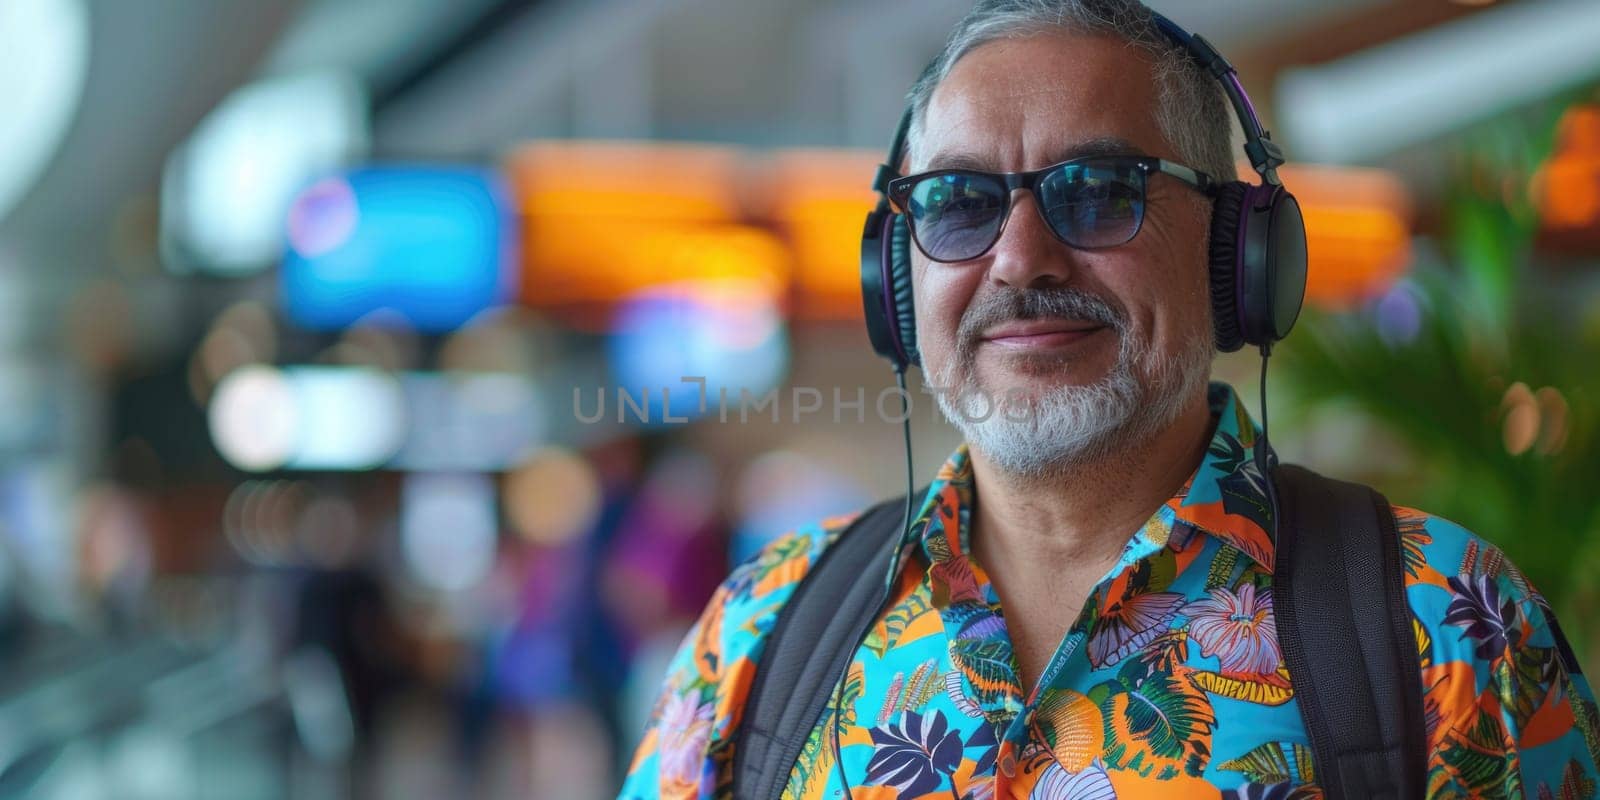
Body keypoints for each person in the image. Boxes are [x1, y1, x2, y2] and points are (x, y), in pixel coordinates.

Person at [619, 1, 1600, 797]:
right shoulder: (760, 631)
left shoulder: (1449, 626)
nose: (1018, 256)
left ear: (1235, 257)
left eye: (1096, 189)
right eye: (958, 202)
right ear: (896, 278)